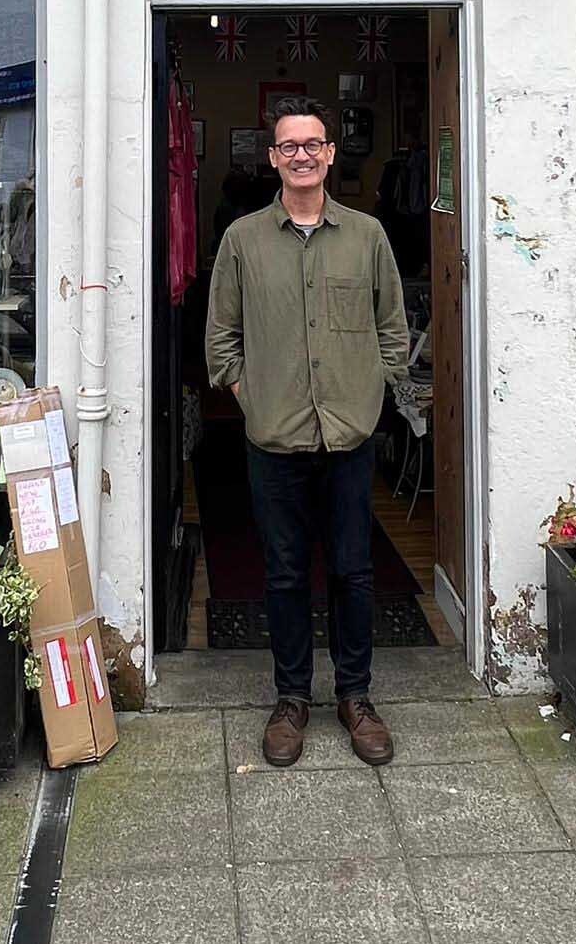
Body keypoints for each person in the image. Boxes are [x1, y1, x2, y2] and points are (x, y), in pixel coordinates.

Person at [204, 94, 409, 767]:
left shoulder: (367, 235)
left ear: (329, 154)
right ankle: (291, 698)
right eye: (288, 145)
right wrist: (248, 392)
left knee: (353, 571)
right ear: (273, 158)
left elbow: (392, 330)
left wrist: (372, 390)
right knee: (285, 574)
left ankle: (356, 696)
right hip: (274, 438)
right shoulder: (242, 241)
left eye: (312, 144)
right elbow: (221, 338)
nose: (301, 155)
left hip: (349, 437)